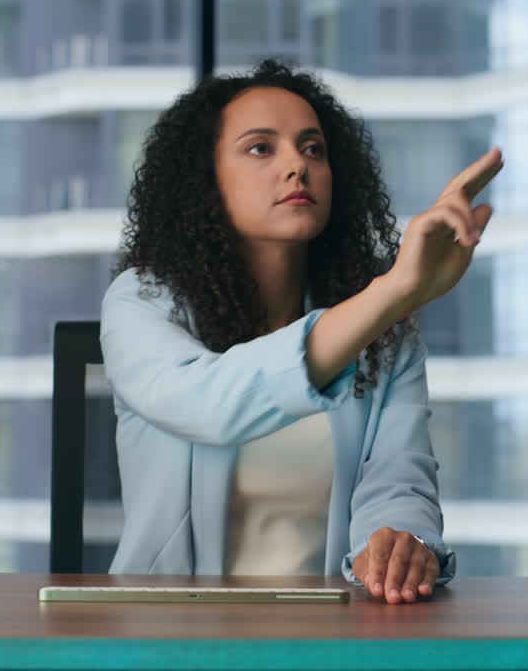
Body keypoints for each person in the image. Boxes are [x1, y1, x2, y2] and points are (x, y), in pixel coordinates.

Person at [99, 59, 501, 604]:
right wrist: (395, 291)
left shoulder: (385, 332)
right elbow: (209, 406)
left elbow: (398, 480)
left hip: (335, 642)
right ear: (205, 179)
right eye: (261, 148)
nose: (298, 166)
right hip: (173, 640)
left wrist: (397, 542)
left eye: (313, 148)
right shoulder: (141, 300)